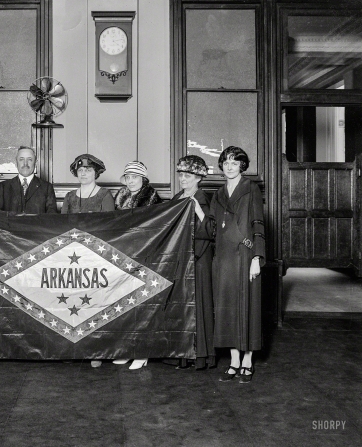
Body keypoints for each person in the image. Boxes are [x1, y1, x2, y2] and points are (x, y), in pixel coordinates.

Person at [208, 146, 265, 384]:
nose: (229, 167)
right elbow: (211, 227)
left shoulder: (251, 189)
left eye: (234, 162)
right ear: (221, 166)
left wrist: (257, 258)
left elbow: (258, 223)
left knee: (247, 306)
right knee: (227, 308)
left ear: (242, 165)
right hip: (222, 257)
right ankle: (233, 360)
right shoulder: (218, 193)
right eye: (226, 162)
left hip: (245, 253)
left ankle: (248, 360)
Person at [61, 153, 114, 368]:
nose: (84, 173)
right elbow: (61, 227)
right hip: (73, 259)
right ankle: (73, 348)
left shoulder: (105, 195)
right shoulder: (69, 197)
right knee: (71, 303)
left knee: (95, 303)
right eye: (80, 170)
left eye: (88, 170)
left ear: (96, 173)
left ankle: (96, 350)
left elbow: (110, 227)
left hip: (95, 259)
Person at [112, 160, 161, 370]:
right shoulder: (120, 196)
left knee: (141, 305)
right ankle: (126, 350)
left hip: (143, 256)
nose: (131, 181)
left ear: (143, 178)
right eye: (128, 177)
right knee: (123, 305)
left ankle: (142, 353)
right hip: (122, 255)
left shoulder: (152, 197)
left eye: (135, 177)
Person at [171, 155, 216, 370]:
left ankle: (199, 355)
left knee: (199, 303)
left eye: (187, 175)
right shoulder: (177, 197)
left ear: (198, 178)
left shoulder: (205, 199)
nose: (182, 179)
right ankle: (182, 353)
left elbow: (211, 231)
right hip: (181, 258)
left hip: (199, 257)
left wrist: (198, 211)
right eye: (181, 174)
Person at [0, 146, 57, 214]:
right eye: (21, 159)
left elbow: (51, 220)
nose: (25, 164)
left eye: (30, 159)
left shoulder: (47, 188)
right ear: (16, 162)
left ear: (36, 163)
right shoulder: (3, 187)